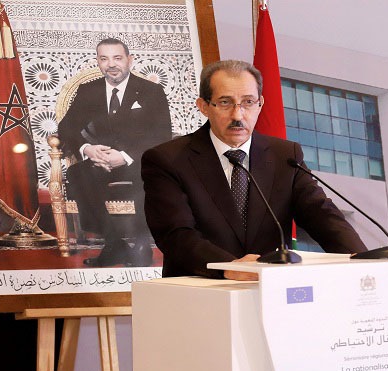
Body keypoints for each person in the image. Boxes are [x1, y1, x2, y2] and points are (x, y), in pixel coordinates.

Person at [141, 60, 366, 280]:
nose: (238, 115)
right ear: (204, 106)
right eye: (225, 103)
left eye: (248, 102)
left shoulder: (285, 156)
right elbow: (176, 234)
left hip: (272, 292)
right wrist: (228, 267)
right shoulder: (168, 159)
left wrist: (361, 258)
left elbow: (320, 213)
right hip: (202, 293)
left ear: (260, 104)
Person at [58, 38, 171, 267]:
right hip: (102, 162)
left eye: (117, 58)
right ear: (98, 62)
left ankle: (141, 244)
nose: (111, 64)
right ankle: (113, 242)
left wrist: (126, 156)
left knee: (149, 177)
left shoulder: (151, 91)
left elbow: (162, 135)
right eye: (104, 58)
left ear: (130, 60)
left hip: (138, 161)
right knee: (78, 174)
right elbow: (65, 128)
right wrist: (88, 149)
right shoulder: (88, 91)